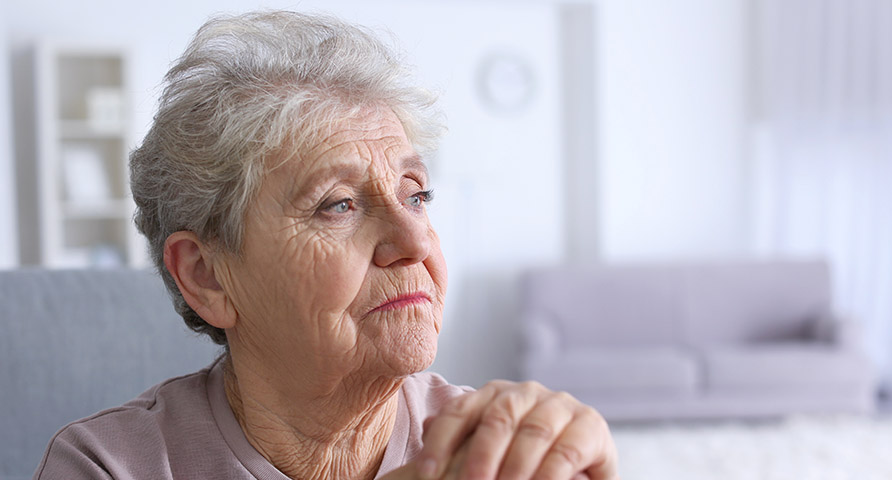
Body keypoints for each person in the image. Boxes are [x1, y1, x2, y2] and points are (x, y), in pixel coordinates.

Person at [34, 10, 618, 480]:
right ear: (207, 276)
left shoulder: (493, 452)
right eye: (338, 205)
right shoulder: (105, 465)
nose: (415, 241)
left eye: (416, 195)